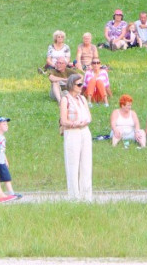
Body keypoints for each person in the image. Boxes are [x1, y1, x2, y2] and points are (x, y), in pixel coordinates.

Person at [59, 73, 93, 201]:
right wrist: (74, 123)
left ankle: (86, 195)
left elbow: (89, 116)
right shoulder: (65, 100)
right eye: (79, 84)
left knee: (86, 163)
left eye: (82, 84)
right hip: (72, 132)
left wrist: (85, 122)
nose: (81, 87)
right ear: (71, 85)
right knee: (73, 164)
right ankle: (74, 196)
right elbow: (63, 120)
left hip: (84, 131)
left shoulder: (82, 99)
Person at [0, 116, 23, 198]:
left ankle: (11, 193)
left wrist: (5, 159)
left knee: (6, 177)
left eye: (6, 124)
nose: (6, 125)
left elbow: (2, 150)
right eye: (3, 124)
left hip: (1, 161)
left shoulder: (2, 137)